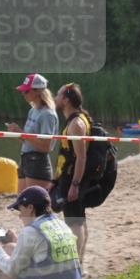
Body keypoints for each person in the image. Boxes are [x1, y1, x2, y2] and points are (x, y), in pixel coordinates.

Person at [54, 83, 92, 261]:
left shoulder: (76, 123)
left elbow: (81, 157)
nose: (55, 97)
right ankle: (79, 264)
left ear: (66, 100)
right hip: (70, 177)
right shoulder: (76, 120)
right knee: (79, 220)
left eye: (58, 95)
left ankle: (76, 264)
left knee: (74, 223)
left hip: (73, 178)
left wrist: (75, 185)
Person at [6, 73, 58, 193]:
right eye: (23, 91)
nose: (23, 94)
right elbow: (28, 140)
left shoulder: (47, 114)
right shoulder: (32, 110)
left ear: (37, 92)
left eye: (26, 91)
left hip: (38, 162)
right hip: (25, 159)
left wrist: (23, 133)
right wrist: (17, 132)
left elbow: (46, 146)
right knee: (22, 204)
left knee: (36, 207)